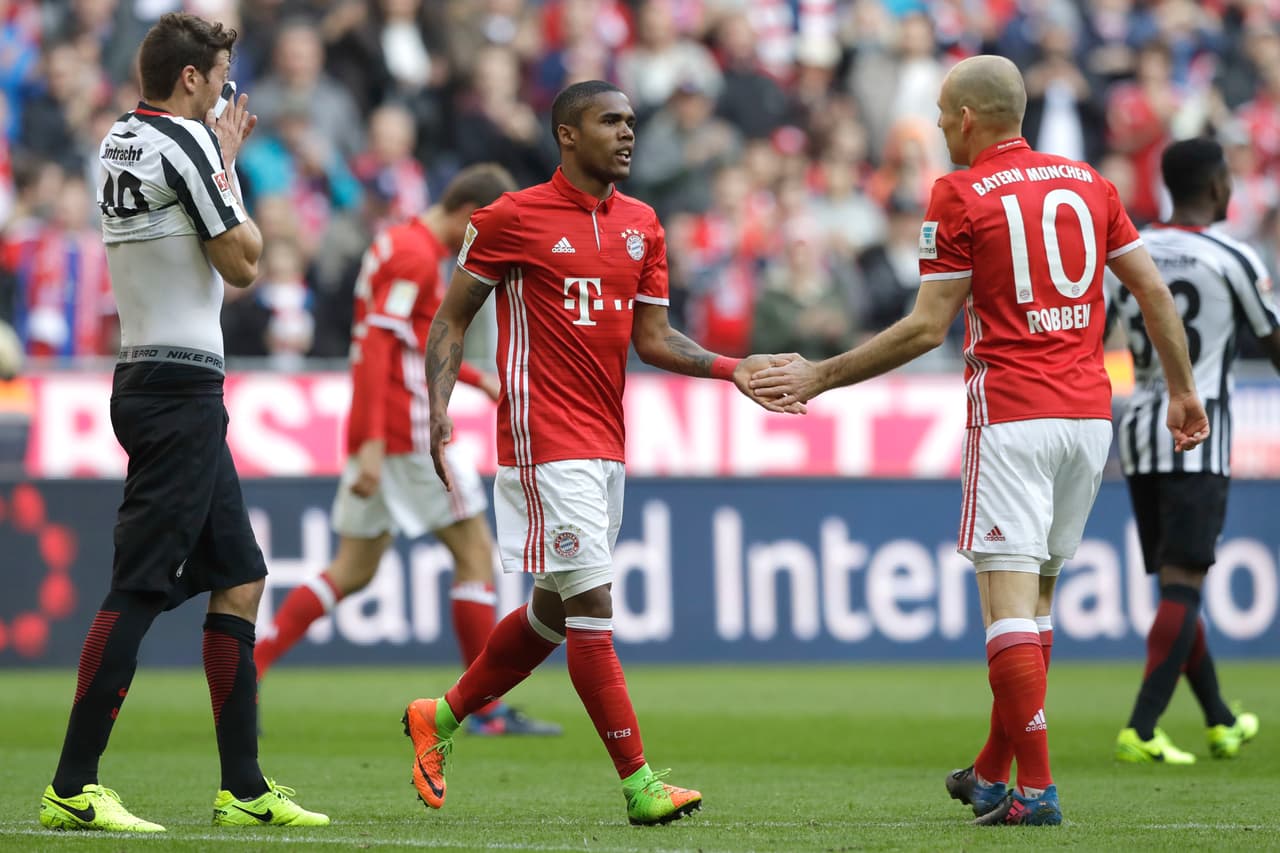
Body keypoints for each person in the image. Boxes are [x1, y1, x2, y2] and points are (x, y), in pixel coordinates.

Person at [749, 55, 1208, 827]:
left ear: (966, 118)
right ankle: (994, 772)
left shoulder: (959, 193)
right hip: (1088, 418)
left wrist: (821, 375)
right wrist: (1183, 390)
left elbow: (926, 326)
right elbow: (1152, 291)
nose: (936, 126)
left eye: (940, 113)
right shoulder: (1091, 183)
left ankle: (1038, 788)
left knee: (1005, 608)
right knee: (1038, 601)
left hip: (1013, 414)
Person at [404, 79, 799, 827]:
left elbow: (654, 338)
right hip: (543, 440)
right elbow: (451, 317)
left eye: (631, 121)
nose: (626, 133)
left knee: (552, 614)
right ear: (567, 134)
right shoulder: (510, 217)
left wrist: (732, 368)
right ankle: (639, 784)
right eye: (609, 121)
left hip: (607, 442)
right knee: (593, 606)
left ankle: (439, 715)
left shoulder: (643, 224)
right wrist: (438, 405)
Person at [37, 13, 327, 833]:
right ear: (191, 78)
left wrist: (216, 165)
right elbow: (245, 262)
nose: (227, 94)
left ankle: (244, 786)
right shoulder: (187, 143)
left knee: (241, 574)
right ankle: (72, 783)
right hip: (180, 389)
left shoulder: (117, 139)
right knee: (138, 584)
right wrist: (227, 167)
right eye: (222, 77)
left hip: (147, 375)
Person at [253, 163, 562, 737]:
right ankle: (484, 709)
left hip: (380, 425)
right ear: (470, 216)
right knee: (475, 552)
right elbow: (376, 346)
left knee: (353, 568)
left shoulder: (400, 242)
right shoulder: (416, 258)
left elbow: (411, 335)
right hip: (408, 431)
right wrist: (372, 444)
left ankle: (251, 667)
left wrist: (474, 378)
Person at [1107, 138, 1274, 764]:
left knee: (1178, 583)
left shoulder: (1130, 250)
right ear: (1217, 186)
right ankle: (1142, 727)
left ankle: (1220, 719)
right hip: (1199, 433)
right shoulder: (1233, 255)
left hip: (1140, 429)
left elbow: (1097, 332)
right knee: (1185, 583)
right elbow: (1273, 340)